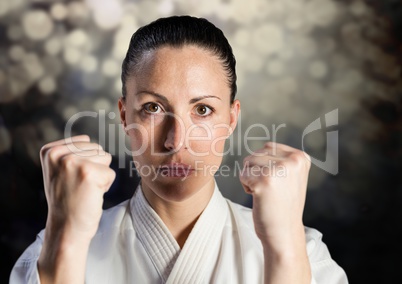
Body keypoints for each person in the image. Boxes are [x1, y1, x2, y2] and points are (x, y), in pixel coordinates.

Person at [10, 16, 348, 284]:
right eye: (153, 108)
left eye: (202, 110)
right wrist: (65, 238)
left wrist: (284, 248)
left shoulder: (304, 255)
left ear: (231, 119)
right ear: (125, 116)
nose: (175, 141)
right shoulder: (53, 253)